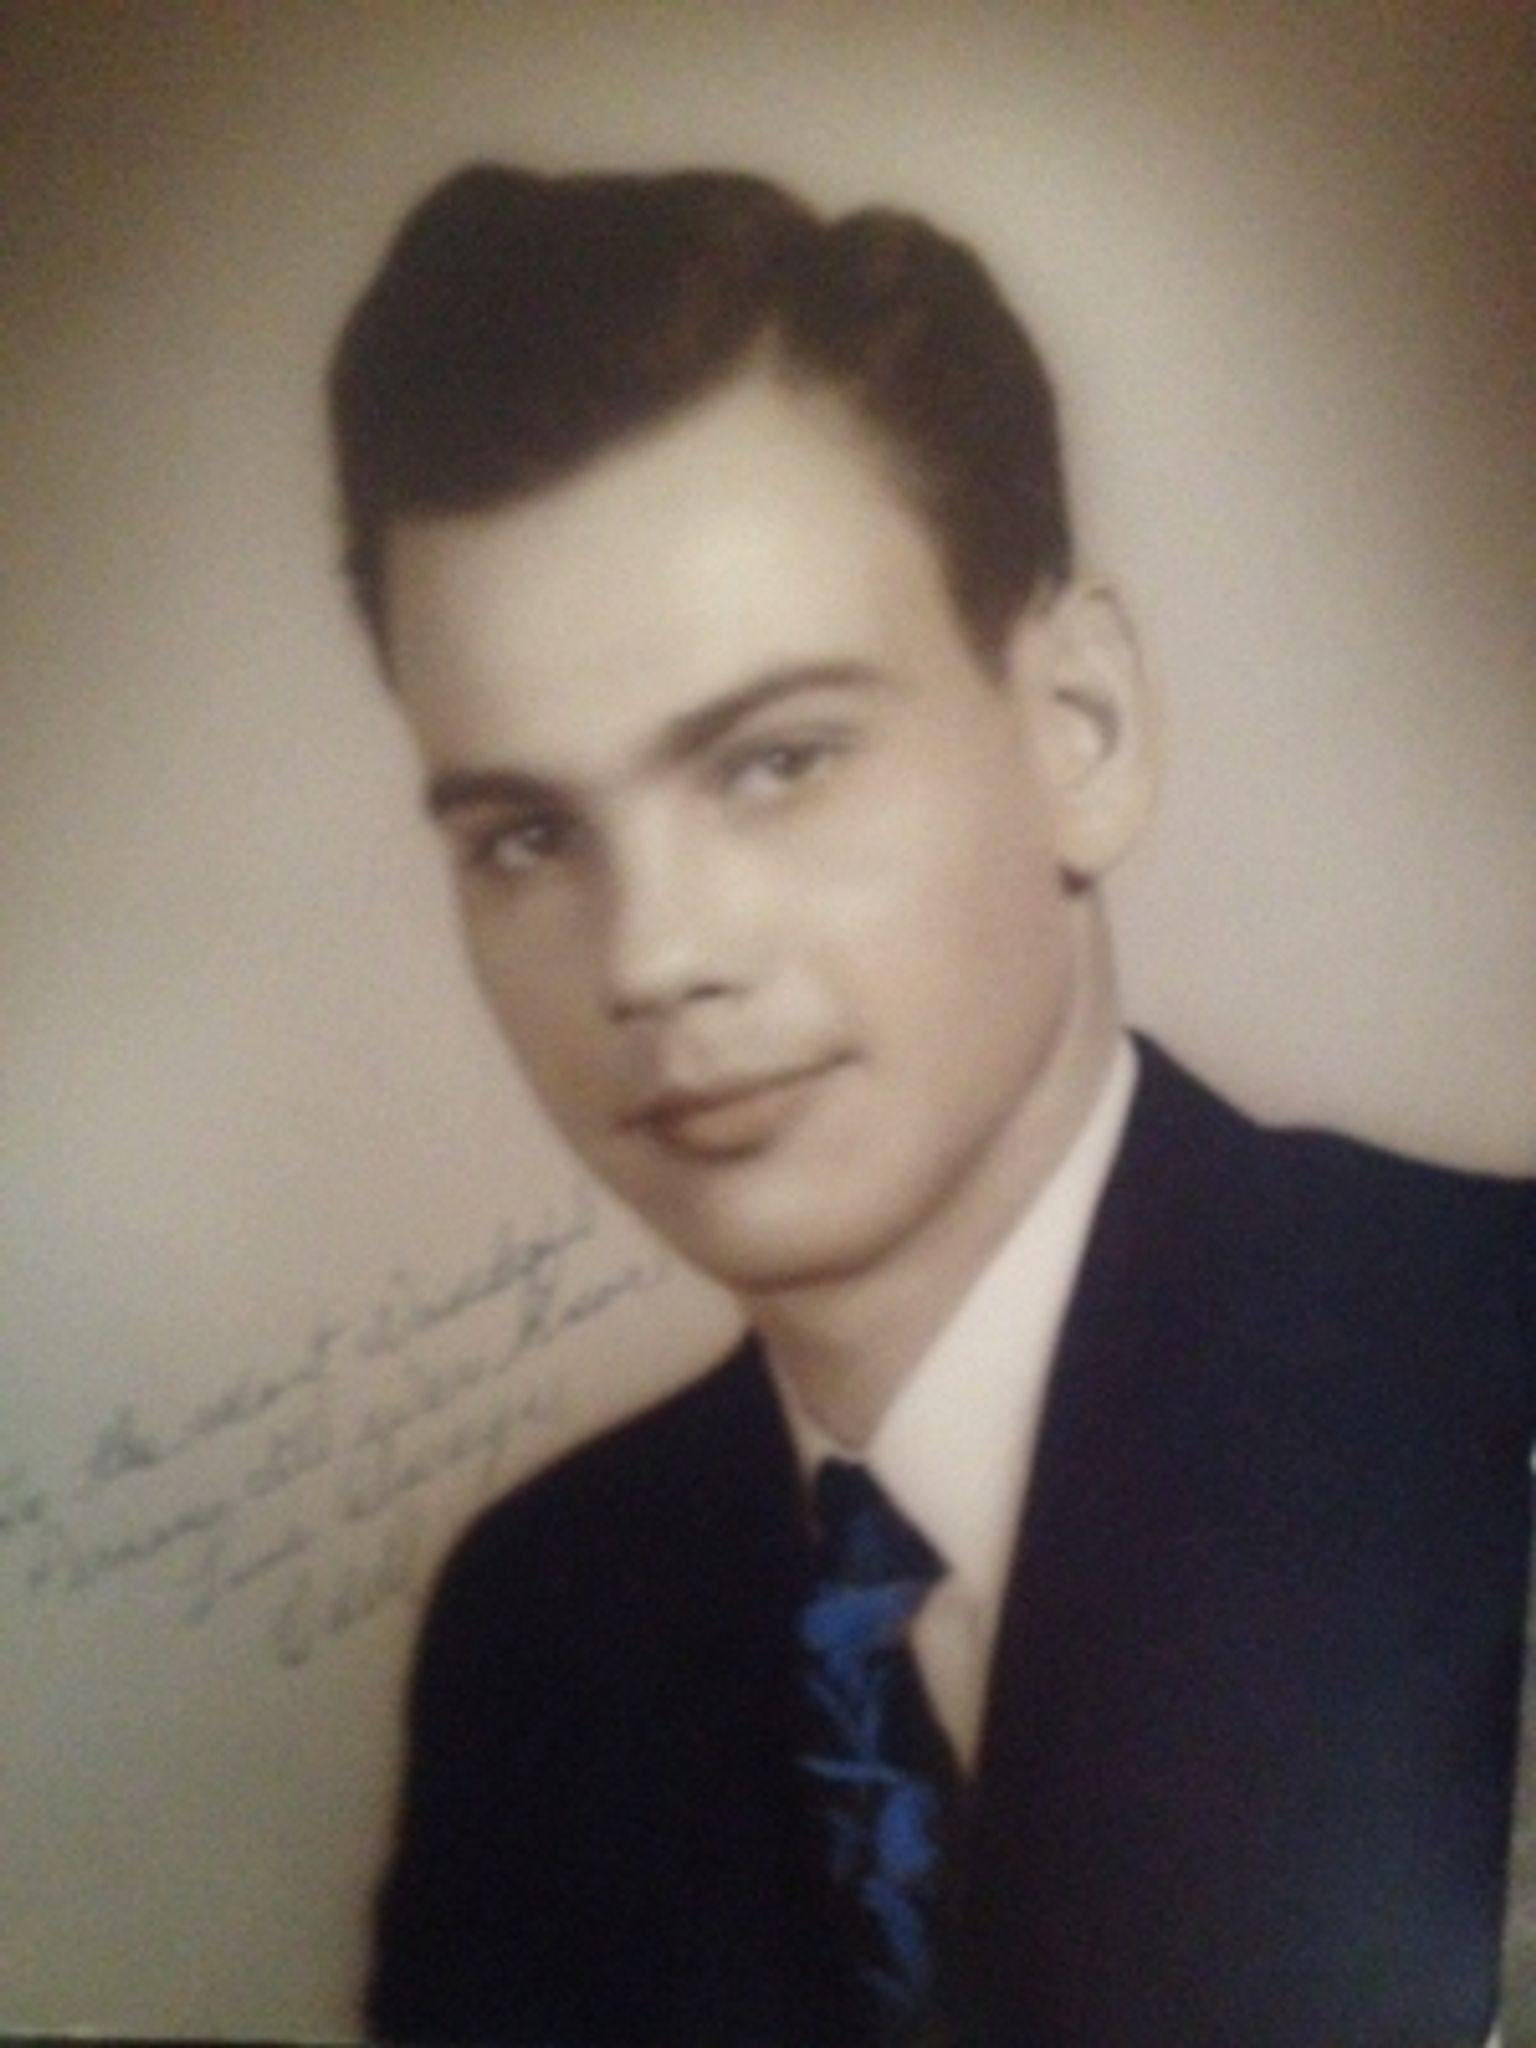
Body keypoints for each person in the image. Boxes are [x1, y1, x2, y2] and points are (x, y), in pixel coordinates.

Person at [329, 165, 1535, 2047]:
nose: (650, 955)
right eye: (528, 836)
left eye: (776, 761)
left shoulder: (1489, 1373)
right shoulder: (539, 1627)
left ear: (1081, 732)